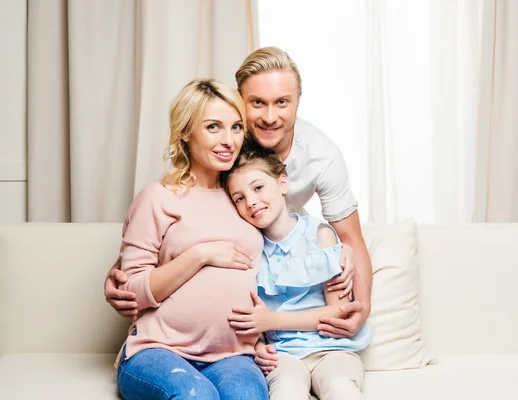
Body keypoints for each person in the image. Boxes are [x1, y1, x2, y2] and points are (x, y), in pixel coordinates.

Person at [105, 46, 372, 339]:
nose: (270, 117)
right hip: (239, 270)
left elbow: (350, 237)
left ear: (298, 102)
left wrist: (363, 306)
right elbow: (176, 208)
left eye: (282, 102)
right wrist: (124, 273)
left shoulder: (322, 155)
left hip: (285, 264)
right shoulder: (227, 139)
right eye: (257, 103)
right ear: (240, 102)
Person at [115, 79, 268, 400]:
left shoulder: (246, 197)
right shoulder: (157, 198)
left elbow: (287, 250)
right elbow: (130, 292)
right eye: (214, 127)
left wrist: (333, 244)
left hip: (233, 355)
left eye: (237, 127)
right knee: (195, 395)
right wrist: (199, 255)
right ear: (185, 131)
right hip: (158, 351)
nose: (229, 140)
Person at [223, 145, 372, 400]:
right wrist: (259, 346)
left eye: (258, 188)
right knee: (287, 391)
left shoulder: (319, 235)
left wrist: (273, 321)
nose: (251, 202)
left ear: (283, 183)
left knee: (340, 387)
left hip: (332, 349)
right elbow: (252, 317)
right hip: (283, 353)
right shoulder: (249, 251)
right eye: (239, 198)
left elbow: (339, 311)